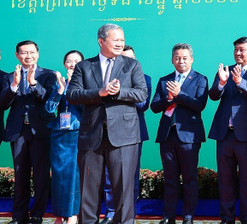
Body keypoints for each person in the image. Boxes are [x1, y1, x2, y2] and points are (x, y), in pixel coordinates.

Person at [67, 23, 148, 224]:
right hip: (91, 135)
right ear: (101, 41)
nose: (120, 43)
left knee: (123, 190)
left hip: (124, 136)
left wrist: (119, 92)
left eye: (122, 40)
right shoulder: (84, 66)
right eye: (116, 40)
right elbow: (73, 95)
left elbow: (141, 93)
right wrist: (99, 93)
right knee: (89, 190)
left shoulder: (132, 65)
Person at [208, 36, 247, 224]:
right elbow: (214, 96)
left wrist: (240, 82)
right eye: (236, 50)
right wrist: (222, 83)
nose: (238, 53)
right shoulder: (226, 71)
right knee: (225, 179)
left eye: (242, 50)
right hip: (225, 133)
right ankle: (227, 217)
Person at [151, 43, 209, 224]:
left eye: (185, 58)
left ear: (191, 59)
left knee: (190, 177)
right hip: (168, 134)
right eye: (177, 58)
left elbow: (199, 105)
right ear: (172, 60)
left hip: (189, 136)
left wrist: (179, 94)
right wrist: (168, 98)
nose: (181, 61)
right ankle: (168, 216)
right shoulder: (164, 80)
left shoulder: (200, 79)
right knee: (170, 178)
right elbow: (154, 106)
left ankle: (188, 216)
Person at [0, 40, 56, 224]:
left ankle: (38, 214)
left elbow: (47, 100)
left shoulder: (48, 75)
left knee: (41, 175)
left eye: (32, 52)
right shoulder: (8, 77)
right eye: (24, 53)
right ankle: (19, 215)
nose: (28, 56)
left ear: (38, 54)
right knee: (20, 174)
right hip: (18, 132)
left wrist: (33, 83)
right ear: (17, 55)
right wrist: (14, 86)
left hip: (40, 131)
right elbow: (3, 103)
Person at [102, 44, 153, 223]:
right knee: (109, 175)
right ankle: (110, 212)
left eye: (131, 58)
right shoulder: (107, 79)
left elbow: (142, 104)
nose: (128, 61)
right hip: (110, 131)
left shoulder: (145, 79)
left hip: (134, 132)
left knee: (130, 174)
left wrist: (121, 91)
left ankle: (128, 212)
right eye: (124, 58)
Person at [46, 50, 85, 224]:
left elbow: (87, 109)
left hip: (77, 134)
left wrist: (74, 86)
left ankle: (73, 214)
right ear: (64, 64)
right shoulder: (57, 83)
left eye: (76, 61)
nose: (72, 64)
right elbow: (48, 109)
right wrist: (61, 90)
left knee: (74, 175)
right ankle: (60, 214)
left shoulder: (86, 83)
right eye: (69, 61)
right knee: (59, 175)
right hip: (59, 135)